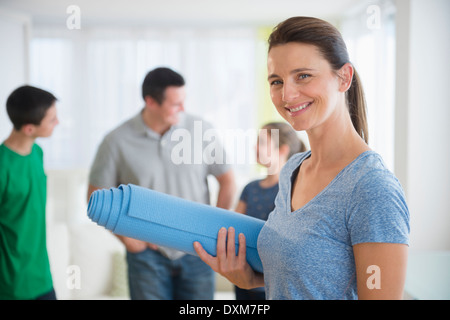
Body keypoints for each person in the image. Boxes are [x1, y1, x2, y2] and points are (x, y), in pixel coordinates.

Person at [194, 16, 410, 300]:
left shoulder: (371, 189)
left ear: (344, 77)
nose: (287, 94)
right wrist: (252, 279)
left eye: (303, 76)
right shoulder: (293, 169)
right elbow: (306, 279)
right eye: (276, 81)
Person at [87, 67, 235, 300]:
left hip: (198, 253)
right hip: (147, 257)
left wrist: (214, 232)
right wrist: (124, 237)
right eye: (176, 104)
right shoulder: (116, 140)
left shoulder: (201, 129)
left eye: (183, 101)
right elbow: (95, 196)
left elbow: (227, 180)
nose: (183, 109)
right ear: (151, 102)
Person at [234, 122, 306, 300]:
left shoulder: (293, 190)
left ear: (282, 150)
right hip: (243, 279)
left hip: (274, 286)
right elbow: (233, 228)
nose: (255, 147)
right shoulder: (249, 189)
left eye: (262, 142)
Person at [0, 85, 59, 300]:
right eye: (52, 120)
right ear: (29, 128)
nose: (58, 123)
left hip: (42, 277)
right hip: (11, 286)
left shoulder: (37, 153)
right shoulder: (2, 167)